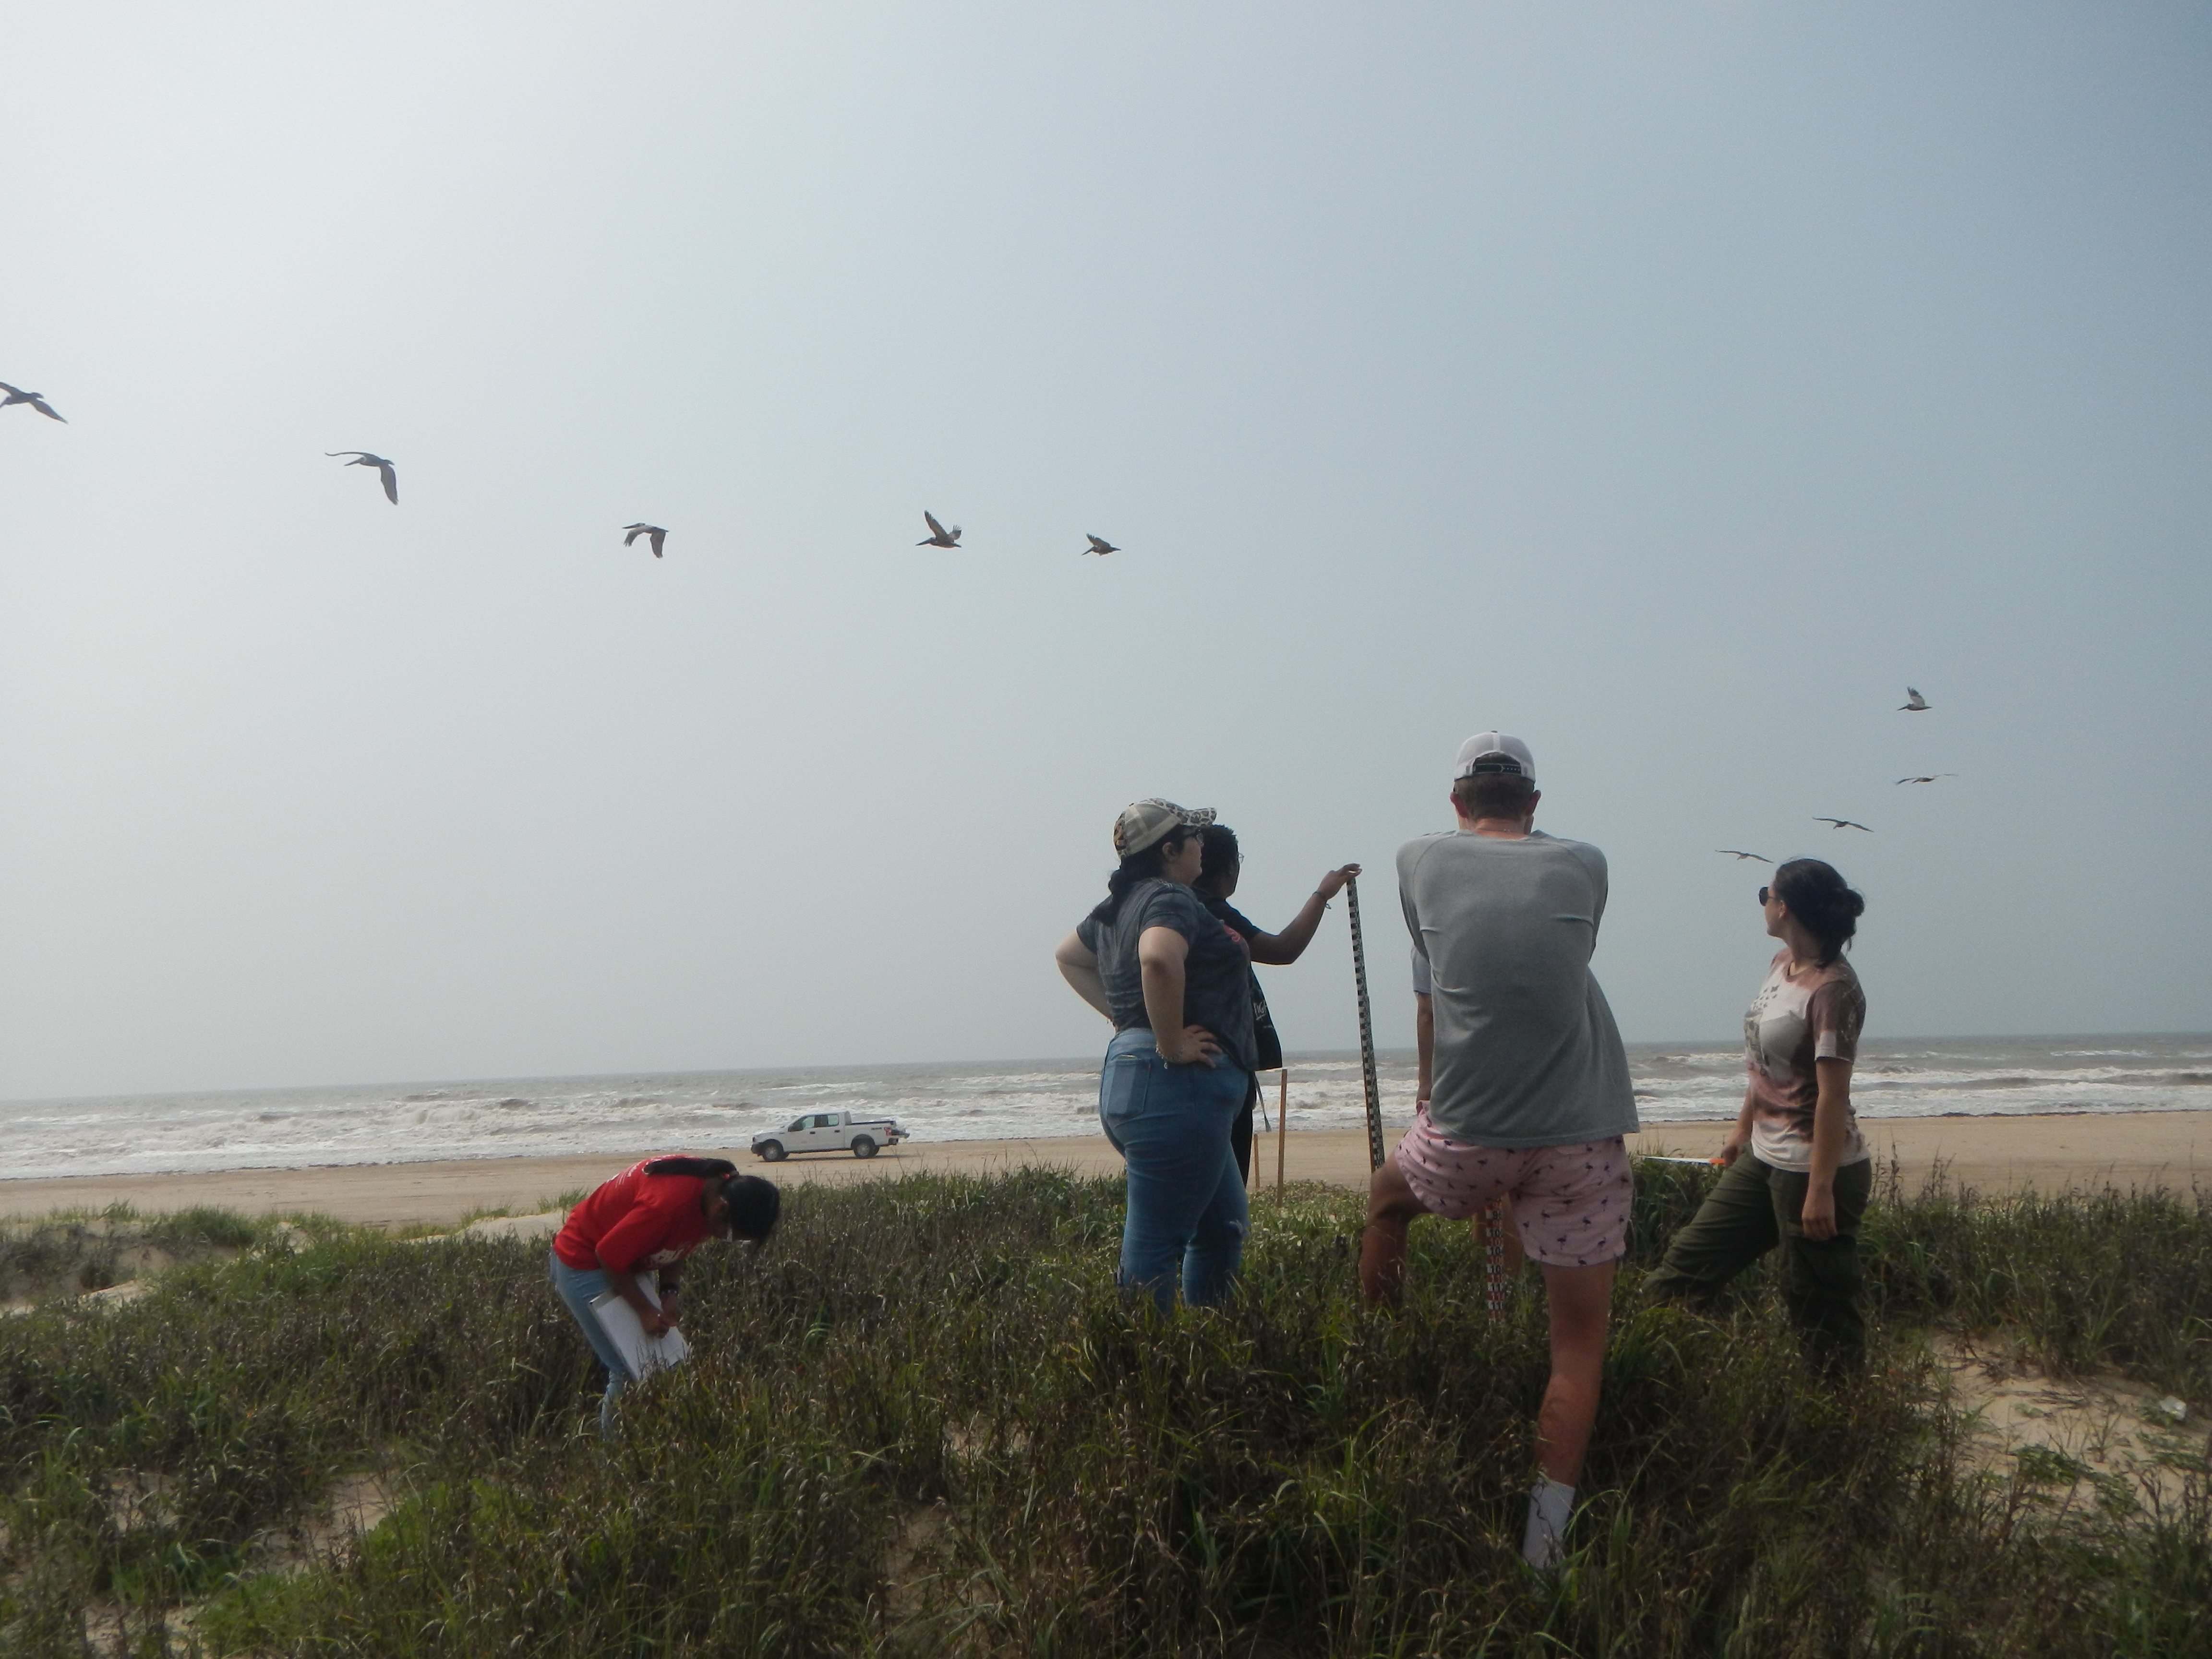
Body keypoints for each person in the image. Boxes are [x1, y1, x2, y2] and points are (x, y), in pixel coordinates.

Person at [1359, 733, 1637, 1571]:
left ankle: (1380, 1364)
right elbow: (1567, 954)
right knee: (1577, 1346)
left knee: (1385, 1203)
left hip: (1466, 1132)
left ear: (1455, 803)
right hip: (1578, 1134)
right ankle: (1543, 1551)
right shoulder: (1586, 863)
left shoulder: (1416, 858)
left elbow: (1438, 956)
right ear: (1533, 803)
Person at [1644, 860, 1871, 1373]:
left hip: (1814, 1168)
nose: (1763, 903)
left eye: (1766, 894)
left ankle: (1842, 1417)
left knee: (1817, 1305)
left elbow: (1834, 1096)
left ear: (1784, 906)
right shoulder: (1780, 964)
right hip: (1765, 1156)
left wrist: (1821, 1188)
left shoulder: (1833, 989)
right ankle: (1659, 1378)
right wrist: (1741, 1131)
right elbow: (1765, 1063)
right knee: (1682, 1273)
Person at [1055, 799, 1255, 1313]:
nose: (1202, 845)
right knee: (1157, 1244)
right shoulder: (1171, 897)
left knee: (1221, 1228)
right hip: (1176, 1084)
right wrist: (1169, 1040)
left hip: (1135, 1075)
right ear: (1170, 850)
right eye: (1194, 837)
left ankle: (1207, 1350)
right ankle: (1142, 1374)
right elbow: (1158, 959)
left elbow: (1070, 957)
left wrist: (1127, 1020)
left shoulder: (1117, 906)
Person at [550, 1154, 781, 1434]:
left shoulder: (717, 1191)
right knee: (628, 1371)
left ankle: (645, 1438)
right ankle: (611, 1461)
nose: (724, 1240)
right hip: (585, 1261)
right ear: (723, 1208)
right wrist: (645, 1311)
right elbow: (608, 1255)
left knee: (663, 1364)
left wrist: (669, 1293)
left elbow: (679, 1242)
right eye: (731, 1235)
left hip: (629, 1257)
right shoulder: (666, 1205)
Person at [1192, 823, 1360, 1181]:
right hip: (1216, 1069)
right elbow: (1284, 948)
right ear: (1231, 868)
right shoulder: (1207, 909)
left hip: (1199, 1067)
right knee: (1223, 1193)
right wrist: (1321, 896)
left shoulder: (1174, 906)